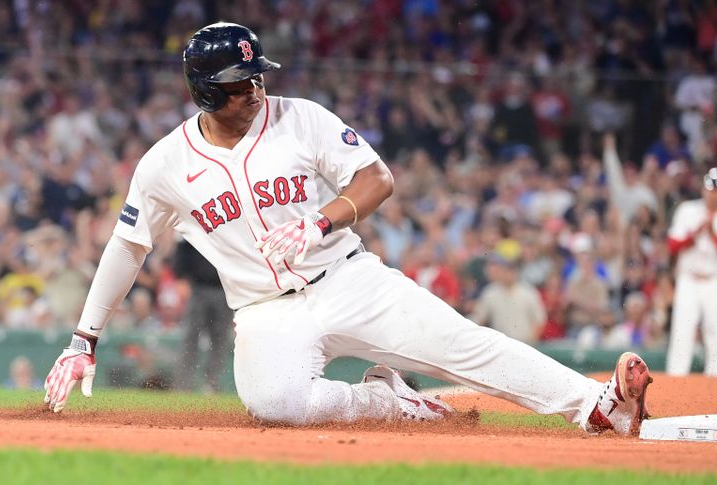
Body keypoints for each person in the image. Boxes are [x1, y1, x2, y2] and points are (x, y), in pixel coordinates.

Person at [43, 22, 652, 436]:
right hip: (263, 310)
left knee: (464, 344)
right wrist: (84, 338)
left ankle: (597, 407)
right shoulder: (164, 165)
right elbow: (129, 246)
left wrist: (323, 218)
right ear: (206, 91)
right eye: (239, 82)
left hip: (346, 278)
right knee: (273, 404)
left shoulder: (299, 118)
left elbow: (376, 177)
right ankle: (388, 401)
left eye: (259, 75)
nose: (256, 88)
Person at [666, 168, 717, 376]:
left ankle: (715, 381)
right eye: (709, 189)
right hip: (688, 279)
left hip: (716, 281)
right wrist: (694, 235)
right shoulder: (688, 210)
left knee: (715, 333)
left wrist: (714, 235)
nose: (713, 194)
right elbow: (673, 245)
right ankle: (675, 380)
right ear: (703, 189)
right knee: (682, 332)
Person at [173, 238, 233, 391]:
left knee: (220, 340)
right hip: (198, 287)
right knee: (190, 337)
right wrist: (180, 276)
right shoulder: (196, 217)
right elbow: (183, 245)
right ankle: (183, 385)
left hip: (224, 290)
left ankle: (211, 384)